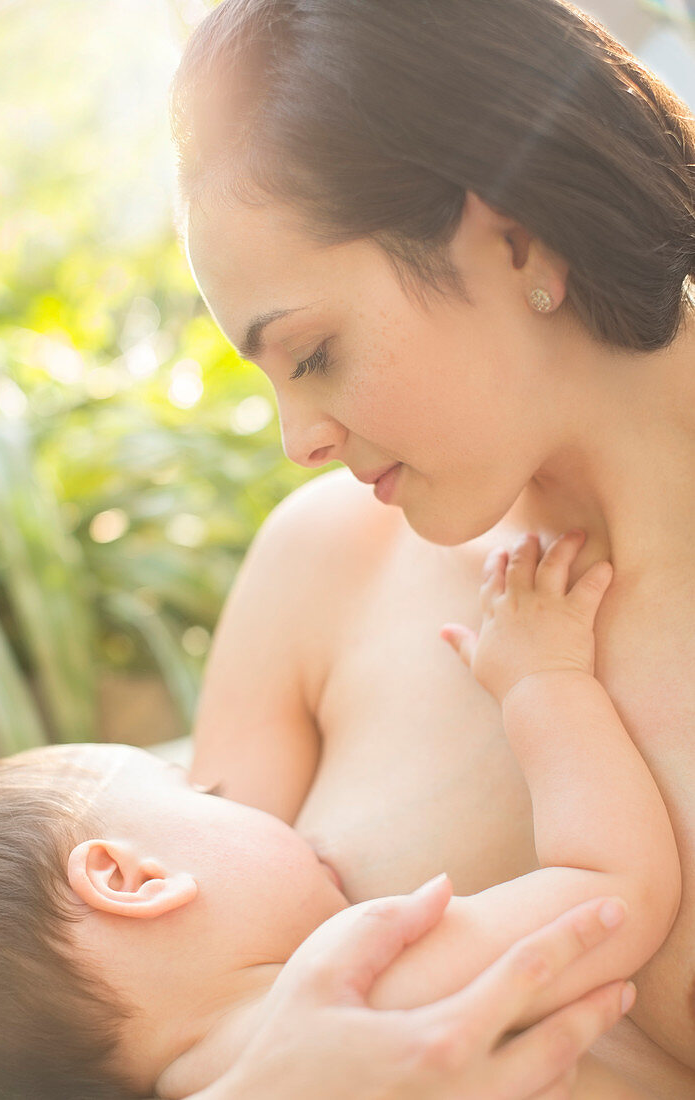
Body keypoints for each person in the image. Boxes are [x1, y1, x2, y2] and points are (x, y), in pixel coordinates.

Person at [170, 0, 695, 1095]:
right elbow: (137, 1009)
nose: (295, 440)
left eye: (311, 352)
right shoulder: (319, 567)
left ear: (514, 238)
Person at [0, 533, 660, 1100]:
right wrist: (543, 681)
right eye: (206, 795)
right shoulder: (348, 984)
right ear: (129, 878)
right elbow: (617, 892)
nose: (259, 810)